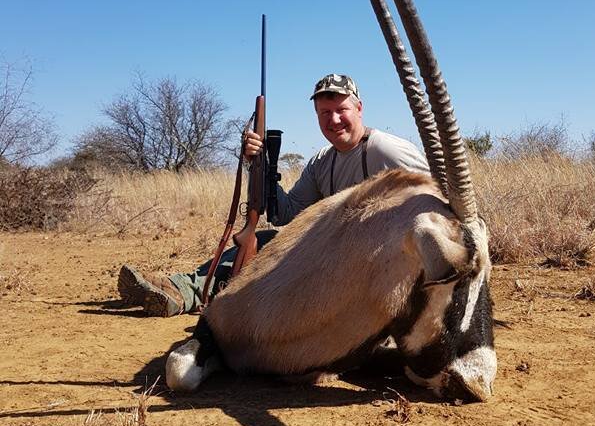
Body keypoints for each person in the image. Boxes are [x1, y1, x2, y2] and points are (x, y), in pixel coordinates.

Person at [118, 74, 429, 316]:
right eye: (324, 113)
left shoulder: (386, 150)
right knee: (269, 242)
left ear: (359, 108)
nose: (333, 120)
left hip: (383, 265)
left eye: (341, 110)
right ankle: (182, 290)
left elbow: (432, 206)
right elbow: (287, 214)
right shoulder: (322, 160)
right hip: (338, 257)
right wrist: (259, 167)